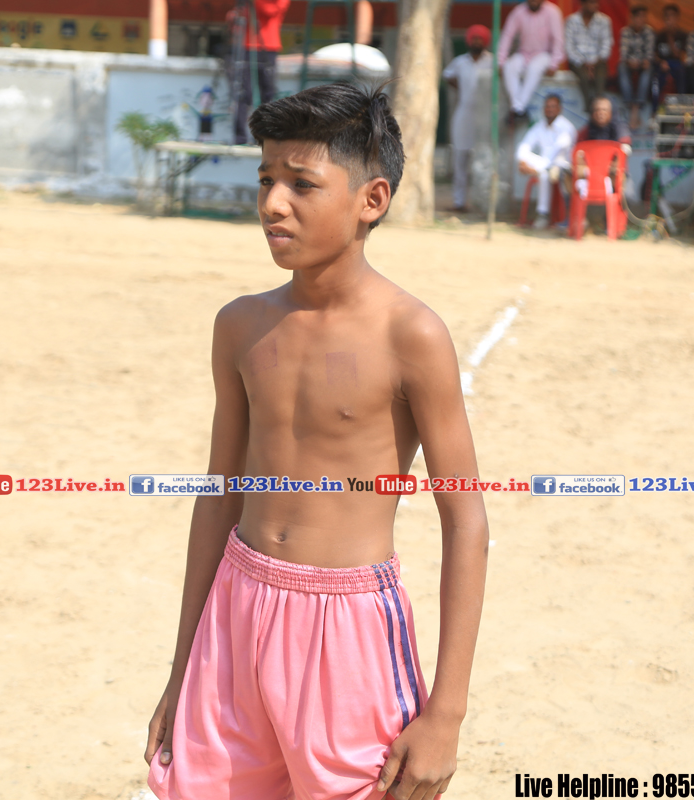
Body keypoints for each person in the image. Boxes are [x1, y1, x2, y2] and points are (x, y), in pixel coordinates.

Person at [144, 83, 489, 800]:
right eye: (265, 180)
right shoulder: (240, 326)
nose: (273, 203)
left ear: (372, 199)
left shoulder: (411, 335)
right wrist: (183, 668)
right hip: (235, 608)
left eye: (302, 184)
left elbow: (466, 521)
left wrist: (446, 714)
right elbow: (218, 499)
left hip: (349, 628)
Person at [443, 25, 494, 212]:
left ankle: (483, 202)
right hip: (464, 112)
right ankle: (460, 202)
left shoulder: (492, 61)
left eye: (480, 39)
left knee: (484, 158)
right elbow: (447, 76)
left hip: (484, 114)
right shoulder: (460, 62)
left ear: (485, 41)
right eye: (474, 39)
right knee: (461, 158)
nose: (476, 42)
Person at [227, 0, 290, 144]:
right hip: (245, 46)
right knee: (243, 93)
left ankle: (264, 136)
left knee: (267, 93)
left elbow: (269, 11)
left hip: (268, 46)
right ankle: (240, 138)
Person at [516, 93, 577, 229]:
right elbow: (525, 145)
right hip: (545, 165)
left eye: (553, 106)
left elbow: (556, 152)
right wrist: (522, 161)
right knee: (542, 172)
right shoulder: (539, 126)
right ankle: (543, 215)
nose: (550, 110)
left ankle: (545, 215)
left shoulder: (566, 127)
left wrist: (535, 168)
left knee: (545, 173)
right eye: (547, 107)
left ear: (559, 109)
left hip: (562, 166)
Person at [498, 0, 565, 123]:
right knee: (510, 66)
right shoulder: (518, 11)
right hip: (523, 53)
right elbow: (507, 36)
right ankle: (519, 109)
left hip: (544, 54)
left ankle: (516, 108)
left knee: (534, 68)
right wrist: (500, 61)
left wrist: (554, 63)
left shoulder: (553, 11)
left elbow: (558, 39)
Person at [573, 95, 630, 203]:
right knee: (569, 175)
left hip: (612, 174)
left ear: (611, 112)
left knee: (627, 194)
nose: (600, 113)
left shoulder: (619, 128)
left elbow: (625, 146)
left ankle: (614, 211)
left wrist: (608, 166)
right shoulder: (587, 130)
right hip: (590, 175)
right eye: (597, 110)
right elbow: (577, 151)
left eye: (604, 110)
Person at [565, 0, 613, 111]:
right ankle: (589, 107)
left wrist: (595, 63)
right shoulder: (571, 20)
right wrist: (583, 63)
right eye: (591, 2)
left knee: (600, 78)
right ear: (583, 4)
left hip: (598, 61)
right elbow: (569, 48)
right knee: (584, 76)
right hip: (578, 62)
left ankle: (599, 108)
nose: (595, 5)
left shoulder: (604, 20)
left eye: (596, 3)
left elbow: (606, 46)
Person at [618, 5, 656, 130]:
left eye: (643, 17)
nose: (641, 20)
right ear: (632, 18)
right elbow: (623, 53)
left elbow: (649, 53)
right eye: (638, 17)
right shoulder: (625, 31)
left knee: (648, 69)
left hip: (643, 63)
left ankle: (636, 106)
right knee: (621, 67)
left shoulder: (649, 31)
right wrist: (630, 61)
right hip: (629, 63)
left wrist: (642, 62)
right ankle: (630, 103)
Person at [653, 4, 688, 101]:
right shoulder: (659, 35)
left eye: (672, 15)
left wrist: (670, 36)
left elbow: (680, 55)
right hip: (662, 63)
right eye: (667, 16)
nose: (669, 18)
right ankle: (655, 105)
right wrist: (661, 62)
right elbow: (654, 55)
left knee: (682, 72)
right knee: (656, 76)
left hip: (677, 63)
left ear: (677, 18)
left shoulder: (683, 35)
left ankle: (681, 101)